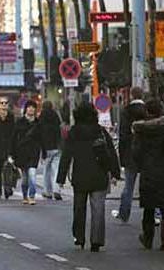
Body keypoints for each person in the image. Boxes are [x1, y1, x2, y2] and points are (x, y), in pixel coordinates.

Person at [57, 102, 120, 252]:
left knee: (79, 208)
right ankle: (96, 241)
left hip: (80, 175)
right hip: (99, 175)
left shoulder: (74, 133)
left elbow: (66, 155)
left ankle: (79, 237)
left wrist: (61, 177)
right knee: (98, 209)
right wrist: (115, 173)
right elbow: (111, 153)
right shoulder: (100, 131)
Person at [132, 99, 164, 250]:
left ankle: (148, 238)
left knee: (149, 208)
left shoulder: (141, 130)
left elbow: (136, 153)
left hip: (148, 172)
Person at [112, 87, 146, 222]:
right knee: (151, 185)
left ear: (131, 96)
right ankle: (155, 214)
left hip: (130, 153)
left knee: (129, 186)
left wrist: (122, 158)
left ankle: (124, 214)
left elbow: (123, 136)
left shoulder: (126, 112)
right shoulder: (148, 110)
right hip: (148, 153)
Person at [10, 100, 43, 205]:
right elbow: (13, 138)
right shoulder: (20, 122)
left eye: (33, 107)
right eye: (29, 107)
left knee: (32, 175)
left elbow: (42, 139)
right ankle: (25, 195)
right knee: (25, 178)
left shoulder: (38, 123)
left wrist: (44, 152)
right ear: (26, 109)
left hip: (34, 153)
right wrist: (12, 153)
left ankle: (32, 196)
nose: (31, 109)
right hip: (22, 153)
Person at [38, 100, 62, 200]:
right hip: (56, 146)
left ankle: (47, 191)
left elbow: (39, 134)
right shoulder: (55, 116)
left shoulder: (41, 118)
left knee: (46, 170)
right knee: (56, 169)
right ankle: (56, 189)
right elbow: (59, 130)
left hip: (46, 148)